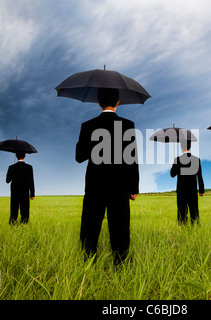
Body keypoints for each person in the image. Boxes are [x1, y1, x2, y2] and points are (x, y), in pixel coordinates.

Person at [75, 87, 139, 266]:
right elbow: (132, 159)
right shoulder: (128, 125)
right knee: (119, 225)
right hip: (120, 183)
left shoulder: (87, 126)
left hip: (95, 182)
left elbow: (79, 157)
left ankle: (88, 263)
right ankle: (120, 264)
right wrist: (134, 187)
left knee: (90, 223)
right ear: (118, 102)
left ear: (98, 102)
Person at [170, 140, 205, 225]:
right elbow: (199, 175)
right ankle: (195, 230)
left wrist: (173, 166)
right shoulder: (196, 159)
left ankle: (182, 230)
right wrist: (201, 190)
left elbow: (172, 174)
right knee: (194, 211)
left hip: (181, 191)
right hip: (192, 191)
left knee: (182, 212)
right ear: (190, 147)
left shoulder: (177, 160)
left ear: (181, 147)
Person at [6, 152, 35, 225]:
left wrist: (12, 173)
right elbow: (31, 181)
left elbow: (7, 180)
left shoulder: (11, 167)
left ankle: (12, 224)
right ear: (25, 156)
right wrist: (32, 194)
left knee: (14, 208)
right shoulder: (29, 167)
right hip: (25, 192)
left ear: (16, 156)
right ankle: (24, 224)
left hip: (14, 192)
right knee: (25, 209)